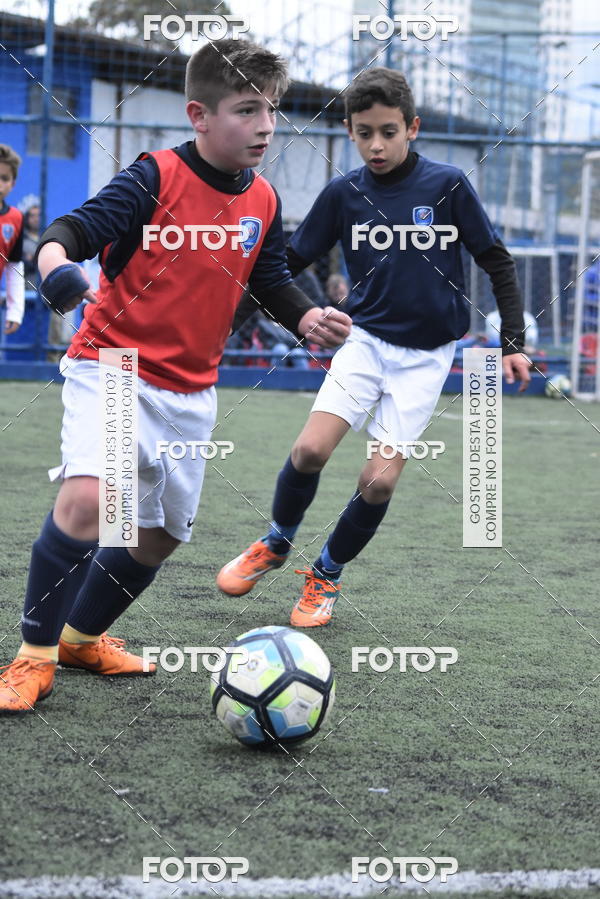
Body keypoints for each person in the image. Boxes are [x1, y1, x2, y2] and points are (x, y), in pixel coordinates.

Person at [0, 38, 351, 714]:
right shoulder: (153, 177)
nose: (265, 126)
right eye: (247, 110)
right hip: (115, 367)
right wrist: (56, 271)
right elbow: (68, 233)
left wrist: (306, 319)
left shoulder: (266, 201)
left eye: (271, 110)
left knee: (159, 535)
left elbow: (271, 277)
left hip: (192, 391)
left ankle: (81, 637)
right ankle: (32, 656)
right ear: (199, 114)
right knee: (88, 501)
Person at [217, 66, 531, 627]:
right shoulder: (343, 193)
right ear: (350, 132)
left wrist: (512, 342)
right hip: (362, 343)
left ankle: (325, 575)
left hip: (426, 358)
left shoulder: (448, 185)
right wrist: (226, 324)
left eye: (389, 131)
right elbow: (284, 264)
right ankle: (275, 541)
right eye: (365, 133)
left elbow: (496, 260)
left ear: (411, 128)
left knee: (378, 481)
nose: (377, 144)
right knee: (310, 451)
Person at [0, 144, 25, 336]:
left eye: (4, 178)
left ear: (13, 183)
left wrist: (15, 311)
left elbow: (14, 267)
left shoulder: (16, 218)